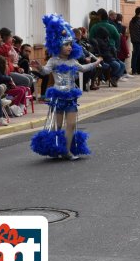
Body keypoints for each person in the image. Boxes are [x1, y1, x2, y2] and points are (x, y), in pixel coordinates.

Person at [30, 14, 102, 160]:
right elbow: (45, 71)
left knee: (71, 124)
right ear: (58, 46)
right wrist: (39, 67)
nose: (69, 47)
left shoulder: (73, 61)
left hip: (71, 96)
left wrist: (95, 63)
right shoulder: (53, 60)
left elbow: (83, 68)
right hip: (58, 96)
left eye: (70, 44)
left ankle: (67, 151)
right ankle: (58, 148)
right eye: (66, 45)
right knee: (58, 126)